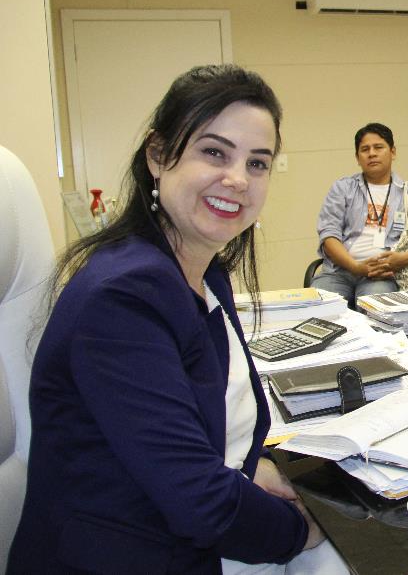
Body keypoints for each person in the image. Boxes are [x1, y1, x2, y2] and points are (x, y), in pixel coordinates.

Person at [9, 65, 347, 573]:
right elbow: (202, 503)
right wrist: (313, 528)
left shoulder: (201, 271)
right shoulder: (122, 298)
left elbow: (188, 441)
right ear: (158, 156)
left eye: (258, 163)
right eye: (214, 152)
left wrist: (250, 471)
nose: (237, 179)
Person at [311, 123, 408, 303]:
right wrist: (356, 267)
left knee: (374, 308)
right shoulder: (342, 189)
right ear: (358, 158)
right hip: (340, 272)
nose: (372, 153)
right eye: (365, 149)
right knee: (318, 305)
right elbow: (328, 236)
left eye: (378, 147)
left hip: (385, 275)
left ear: (393, 152)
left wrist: (403, 259)